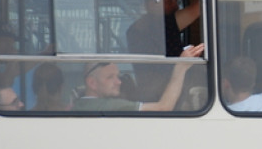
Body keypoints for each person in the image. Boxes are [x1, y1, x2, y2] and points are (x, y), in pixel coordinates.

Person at [127, 0, 201, 101]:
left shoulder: (135, 29)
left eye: (176, 1)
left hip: (153, 93)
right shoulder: (162, 24)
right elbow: (198, 8)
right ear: (152, 5)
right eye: (169, 2)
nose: (176, 7)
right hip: (166, 92)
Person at [74, 43, 205, 112]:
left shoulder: (78, 103)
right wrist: (181, 67)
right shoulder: (109, 106)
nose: (119, 82)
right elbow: (164, 108)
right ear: (92, 83)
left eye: (118, 76)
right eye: (110, 77)